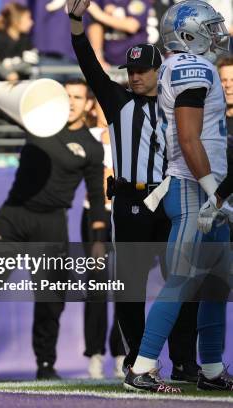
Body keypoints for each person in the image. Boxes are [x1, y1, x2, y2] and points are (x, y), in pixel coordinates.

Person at [0, 78, 108, 380]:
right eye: (67, 95)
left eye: (78, 97)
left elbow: (97, 197)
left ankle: (46, 364)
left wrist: (97, 238)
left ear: (90, 105)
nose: (71, 102)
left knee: (51, 297)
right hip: (14, 215)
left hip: (52, 223)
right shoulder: (40, 119)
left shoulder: (91, 149)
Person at [68, 0, 200, 382]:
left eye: (144, 70)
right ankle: (137, 361)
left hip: (173, 198)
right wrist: (77, 22)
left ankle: (185, 363)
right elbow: (88, 64)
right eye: (131, 70)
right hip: (130, 201)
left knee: (182, 284)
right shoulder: (117, 100)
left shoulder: (177, 103)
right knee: (130, 288)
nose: (136, 76)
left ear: (160, 70)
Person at [122, 0, 231, 392]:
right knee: (182, 277)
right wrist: (211, 193)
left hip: (206, 188)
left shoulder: (192, 66)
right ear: (188, 35)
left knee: (218, 281)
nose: (218, 33)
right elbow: (188, 137)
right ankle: (142, 367)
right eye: (210, 27)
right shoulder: (192, 66)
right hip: (193, 188)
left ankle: (213, 371)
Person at [83, 101, 126, 379]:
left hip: (124, 216)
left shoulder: (128, 134)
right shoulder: (87, 137)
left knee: (126, 286)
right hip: (94, 217)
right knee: (97, 286)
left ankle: (122, 354)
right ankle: (95, 355)